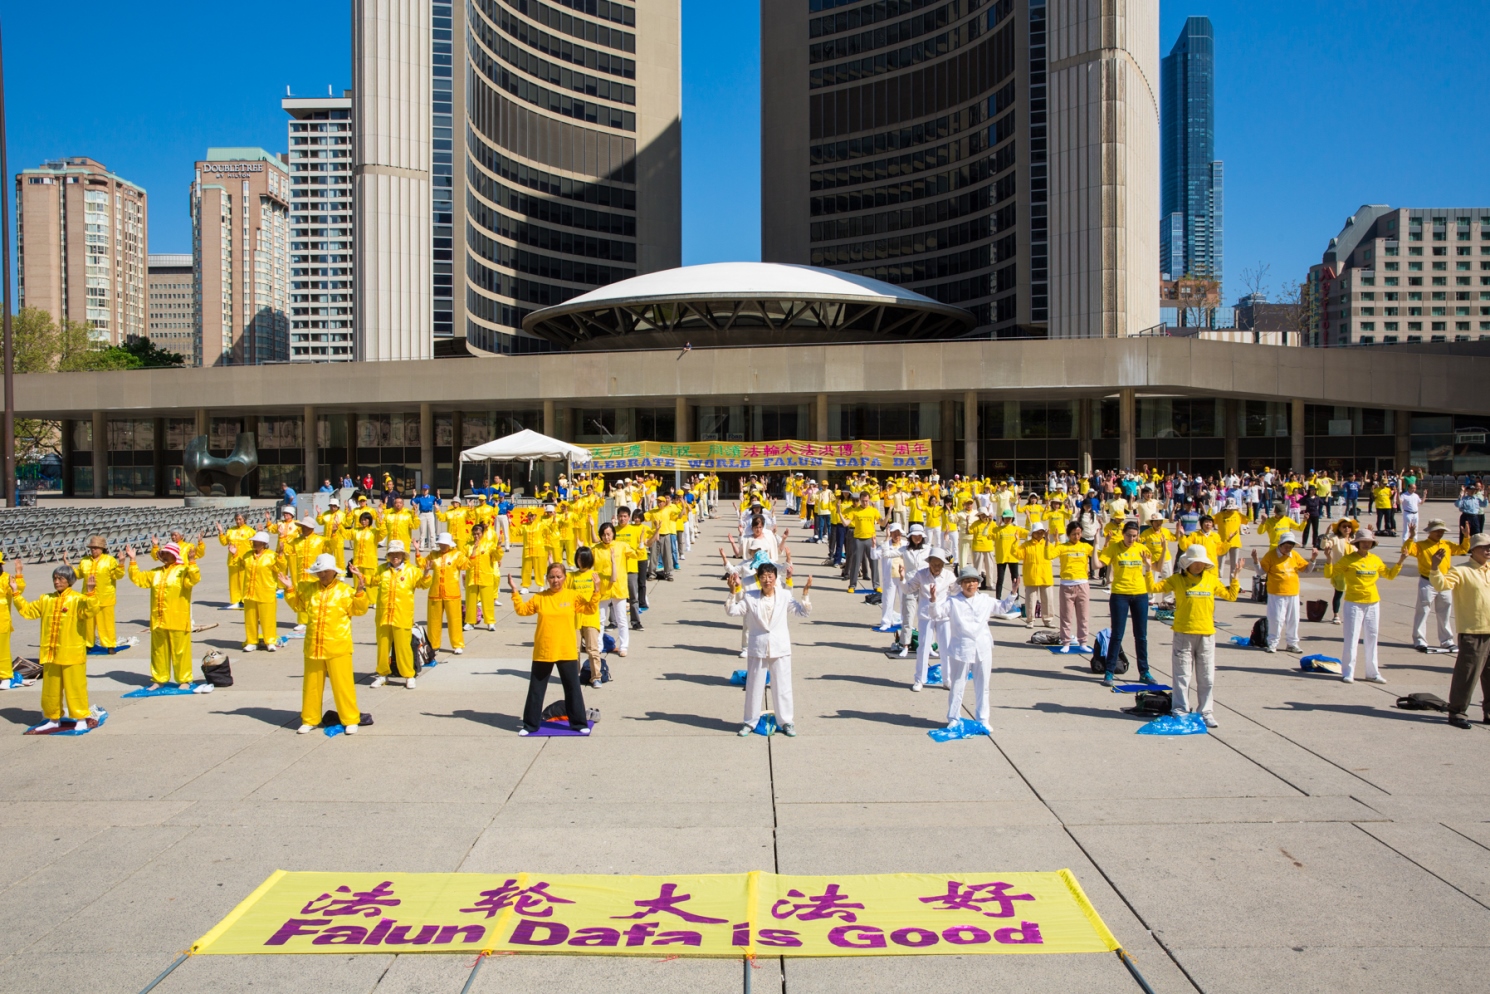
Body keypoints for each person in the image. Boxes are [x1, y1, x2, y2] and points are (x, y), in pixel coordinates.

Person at [280, 553, 370, 733]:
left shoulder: (344, 591)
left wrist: (360, 592)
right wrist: (289, 589)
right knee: (311, 685)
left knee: (343, 685)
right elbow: (298, 605)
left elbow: (359, 610)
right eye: (319, 571)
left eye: (325, 571)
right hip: (314, 645)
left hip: (338, 645)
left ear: (334, 572)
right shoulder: (310, 589)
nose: (322, 574)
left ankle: (350, 718)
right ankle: (310, 719)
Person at [1152, 546, 1241, 728]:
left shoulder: (1211, 579)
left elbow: (1231, 596)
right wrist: (1148, 569)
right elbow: (1152, 587)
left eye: (1202, 562)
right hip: (1183, 633)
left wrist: (1235, 578)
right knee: (1182, 676)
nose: (1199, 565)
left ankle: (1205, 712)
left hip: (1206, 633)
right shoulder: (1177, 580)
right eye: (1195, 562)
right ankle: (1180, 711)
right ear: (1187, 563)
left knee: (1206, 677)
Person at [509, 562, 602, 735]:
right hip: (544, 650)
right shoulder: (540, 597)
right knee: (536, 690)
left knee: (573, 688)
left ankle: (578, 723)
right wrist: (515, 592)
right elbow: (522, 610)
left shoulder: (572, 596)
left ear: (565, 578)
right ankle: (530, 725)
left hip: (566, 650)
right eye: (552, 577)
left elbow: (589, 609)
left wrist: (596, 590)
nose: (555, 580)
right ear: (547, 579)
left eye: (559, 576)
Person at [725, 560, 812, 737]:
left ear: (775, 578)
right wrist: (732, 592)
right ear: (758, 579)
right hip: (758, 647)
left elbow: (802, 612)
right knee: (754, 686)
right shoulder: (750, 597)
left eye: (770, 576)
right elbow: (732, 611)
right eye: (763, 577)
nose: (767, 580)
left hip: (780, 647)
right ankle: (750, 722)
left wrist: (805, 593)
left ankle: (786, 721)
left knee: (783, 686)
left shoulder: (784, 595)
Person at [16, 566, 100, 732]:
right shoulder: (46, 599)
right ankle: (53, 718)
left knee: (75, 687)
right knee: (51, 689)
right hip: (51, 653)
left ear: (69, 581)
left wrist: (91, 593)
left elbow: (91, 611)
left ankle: (80, 717)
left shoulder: (78, 599)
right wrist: (16, 594)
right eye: (55, 578)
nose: (56, 582)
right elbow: (28, 612)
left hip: (72, 653)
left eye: (61, 578)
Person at [1323, 529, 1407, 683]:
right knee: (1352, 637)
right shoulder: (1348, 560)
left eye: (1369, 542)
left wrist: (1400, 561)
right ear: (1358, 543)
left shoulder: (1375, 559)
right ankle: (1348, 672)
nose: (1366, 544)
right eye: (1364, 542)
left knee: (1372, 637)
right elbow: (1330, 574)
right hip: (1354, 603)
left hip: (1373, 602)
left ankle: (1372, 673)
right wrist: (1328, 560)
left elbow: (1389, 575)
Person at [1427, 534, 1490, 728]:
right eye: (1484, 547)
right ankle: (1457, 712)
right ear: (1473, 550)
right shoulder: (1461, 570)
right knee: (1467, 674)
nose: (1488, 550)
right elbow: (1441, 584)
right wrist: (1435, 567)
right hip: (1473, 630)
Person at [126, 542, 200, 690]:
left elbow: (194, 579)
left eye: (168, 554)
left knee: (180, 651)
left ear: (175, 555)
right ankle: (159, 679)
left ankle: (184, 679)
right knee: (159, 652)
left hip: (177, 618)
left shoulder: (183, 571)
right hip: (158, 619)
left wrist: (192, 562)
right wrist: (132, 561)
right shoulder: (156, 573)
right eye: (163, 554)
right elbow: (139, 579)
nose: (165, 556)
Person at [940, 565, 996, 730]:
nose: (970, 584)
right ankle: (953, 717)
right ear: (961, 584)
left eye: (973, 581)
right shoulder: (953, 601)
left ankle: (983, 719)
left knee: (983, 685)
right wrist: (933, 600)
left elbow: (1003, 607)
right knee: (957, 684)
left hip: (982, 647)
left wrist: (1013, 593)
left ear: (978, 583)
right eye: (966, 581)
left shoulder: (985, 600)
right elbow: (936, 614)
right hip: (961, 648)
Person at [371, 540, 432, 689]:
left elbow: (423, 584)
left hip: (402, 615)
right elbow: (371, 581)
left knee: (403, 648)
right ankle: (382, 674)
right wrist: (360, 577)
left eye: (398, 554)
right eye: (392, 554)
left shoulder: (411, 571)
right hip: (384, 615)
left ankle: (409, 675)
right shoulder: (382, 570)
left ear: (403, 555)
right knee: (383, 647)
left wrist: (425, 574)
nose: (395, 557)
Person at [1099, 520, 1153, 685]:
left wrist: (1149, 566)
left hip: (1140, 594)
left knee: (1141, 636)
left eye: (1135, 536)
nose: (1131, 539)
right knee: (1117, 634)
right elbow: (1098, 564)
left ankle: (1144, 672)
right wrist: (1096, 544)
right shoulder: (1114, 548)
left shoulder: (1142, 548)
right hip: (1120, 595)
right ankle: (1109, 671)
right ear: (1123, 534)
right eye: (1129, 535)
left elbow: (1156, 566)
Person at [1404, 519, 1467, 653]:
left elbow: (1463, 549)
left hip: (1444, 581)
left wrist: (1466, 537)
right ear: (1430, 531)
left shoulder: (1447, 544)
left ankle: (1447, 640)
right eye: (1437, 531)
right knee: (1423, 610)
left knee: (1445, 611)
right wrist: (1411, 537)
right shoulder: (1421, 545)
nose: (1439, 533)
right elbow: (1407, 551)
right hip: (1427, 581)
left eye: (1442, 531)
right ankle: (1419, 640)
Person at [1250, 531, 1317, 654]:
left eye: (1291, 546)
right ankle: (1272, 643)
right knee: (1276, 619)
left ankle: (1292, 643)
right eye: (1286, 546)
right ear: (1280, 545)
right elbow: (1260, 572)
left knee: (1293, 620)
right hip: (1277, 593)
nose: (1288, 549)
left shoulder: (1294, 555)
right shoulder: (1271, 555)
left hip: (1293, 592)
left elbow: (1307, 570)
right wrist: (1255, 561)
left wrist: (1313, 559)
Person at [902, 547, 954, 690]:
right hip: (926, 615)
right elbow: (908, 589)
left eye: (940, 564)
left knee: (946, 648)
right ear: (929, 563)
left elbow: (957, 591)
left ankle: (947, 679)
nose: (937, 567)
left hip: (943, 616)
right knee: (923, 647)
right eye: (934, 564)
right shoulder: (921, 574)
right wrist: (902, 579)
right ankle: (919, 679)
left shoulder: (949, 575)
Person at [72, 536, 125, 652]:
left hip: (105, 597)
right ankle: (88, 644)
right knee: (88, 623)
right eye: (92, 548)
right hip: (88, 596)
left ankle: (110, 645)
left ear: (102, 549)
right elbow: (78, 575)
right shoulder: (85, 561)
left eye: (96, 548)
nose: (93, 550)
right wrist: (69, 567)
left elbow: (117, 575)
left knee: (106, 623)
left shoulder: (109, 560)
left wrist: (121, 563)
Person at [234, 531, 283, 652]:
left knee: (268, 619)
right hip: (249, 592)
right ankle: (252, 641)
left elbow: (281, 568)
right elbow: (240, 565)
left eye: (257, 542)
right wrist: (235, 555)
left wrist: (281, 555)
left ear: (264, 543)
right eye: (254, 541)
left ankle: (270, 641)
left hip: (265, 591)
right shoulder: (247, 555)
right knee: (250, 619)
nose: (255, 544)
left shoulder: (271, 556)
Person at [1051, 522, 1095, 648]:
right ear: (1068, 534)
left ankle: (1083, 642)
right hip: (1067, 585)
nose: (1076, 537)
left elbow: (1100, 556)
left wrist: (1104, 542)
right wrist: (1053, 542)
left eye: (1079, 534)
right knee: (1066, 616)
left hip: (1082, 585)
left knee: (1083, 616)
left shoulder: (1085, 546)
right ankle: (1066, 642)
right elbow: (1049, 555)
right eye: (1073, 534)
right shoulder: (1062, 547)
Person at [422, 533, 468, 654]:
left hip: (452, 592)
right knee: (434, 620)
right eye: (441, 544)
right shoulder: (433, 555)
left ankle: (457, 644)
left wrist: (473, 552)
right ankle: (433, 644)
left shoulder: (457, 555)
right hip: (435, 592)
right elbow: (423, 563)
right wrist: (417, 552)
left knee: (454, 620)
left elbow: (467, 565)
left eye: (445, 544)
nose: (442, 546)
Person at [568, 547, 605, 688]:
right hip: (575, 617)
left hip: (590, 617)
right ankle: (575, 677)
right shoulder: (571, 576)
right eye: (578, 559)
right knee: (574, 650)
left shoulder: (595, 575)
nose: (580, 562)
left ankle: (596, 677)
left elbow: (600, 595)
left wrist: (597, 587)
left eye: (583, 559)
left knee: (592, 649)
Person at [463, 522, 501, 632]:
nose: (476, 536)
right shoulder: (468, 546)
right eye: (474, 534)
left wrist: (498, 547)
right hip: (472, 577)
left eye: (478, 534)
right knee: (471, 600)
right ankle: (470, 622)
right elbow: (464, 561)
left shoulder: (489, 545)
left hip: (485, 575)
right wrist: (474, 549)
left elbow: (496, 557)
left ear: (482, 533)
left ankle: (490, 622)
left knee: (487, 600)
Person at [843, 492, 882, 593]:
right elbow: (846, 523)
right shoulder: (855, 511)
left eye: (866, 501)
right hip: (858, 539)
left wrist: (889, 512)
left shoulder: (873, 510)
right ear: (860, 500)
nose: (865, 503)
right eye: (863, 501)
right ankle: (852, 585)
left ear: (869, 500)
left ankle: (876, 585)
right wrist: (839, 512)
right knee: (855, 563)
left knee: (874, 563)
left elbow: (882, 522)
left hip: (871, 539)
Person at [1018, 522, 1055, 629]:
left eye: (1041, 532)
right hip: (1031, 576)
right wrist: (1016, 542)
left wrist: (1051, 540)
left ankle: (1048, 620)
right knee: (1030, 600)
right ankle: (1030, 620)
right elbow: (1018, 555)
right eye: (1037, 532)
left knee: (1048, 599)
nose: (1039, 534)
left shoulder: (1047, 544)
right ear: (1032, 533)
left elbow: (1054, 553)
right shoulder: (1026, 545)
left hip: (1045, 575)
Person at [1321, 518, 1357, 624]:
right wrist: (1326, 534)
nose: (1347, 528)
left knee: (1354, 593)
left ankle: (1353, 614)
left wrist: (1370, 535)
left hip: (1353, 571)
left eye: (1349, 526)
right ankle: (1336, 615)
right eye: (1344, 526)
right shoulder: (1336, 538)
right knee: (1339, 593)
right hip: (1340, 571)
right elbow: (1324, 546)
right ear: (1339, 528)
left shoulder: (1354, 539)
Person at [216, 514, 255, 608]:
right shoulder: (230, 531)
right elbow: (224, 542)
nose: (238, 521)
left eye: (240, 519)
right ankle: (235, 601)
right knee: (233, 581)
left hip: (244, 559)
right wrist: (221, 532)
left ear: (244, 519)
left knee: (244, 580)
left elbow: (255, 545)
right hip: (233, 560)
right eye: (236, 519)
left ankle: (245, 600)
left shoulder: (250, 531)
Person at [0, 554, 23, 688]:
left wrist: (19, 574)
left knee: (2, 650)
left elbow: (18, 589)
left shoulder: (6, 578)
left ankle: (6, 677)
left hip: (2, 621)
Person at [414, 484, 441, 549]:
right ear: (422, 490)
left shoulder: (432, 497)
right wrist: (414, 496)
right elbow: (412, 502)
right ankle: (421, 545)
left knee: (432, 530)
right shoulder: (420, 497)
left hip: (430, 513)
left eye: (426, 490)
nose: (424, 491)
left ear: (428, 490)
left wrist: (438, 496)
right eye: (423, 490)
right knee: (422, 531)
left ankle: (433, 545)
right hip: (422, 514)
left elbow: (439, 503)